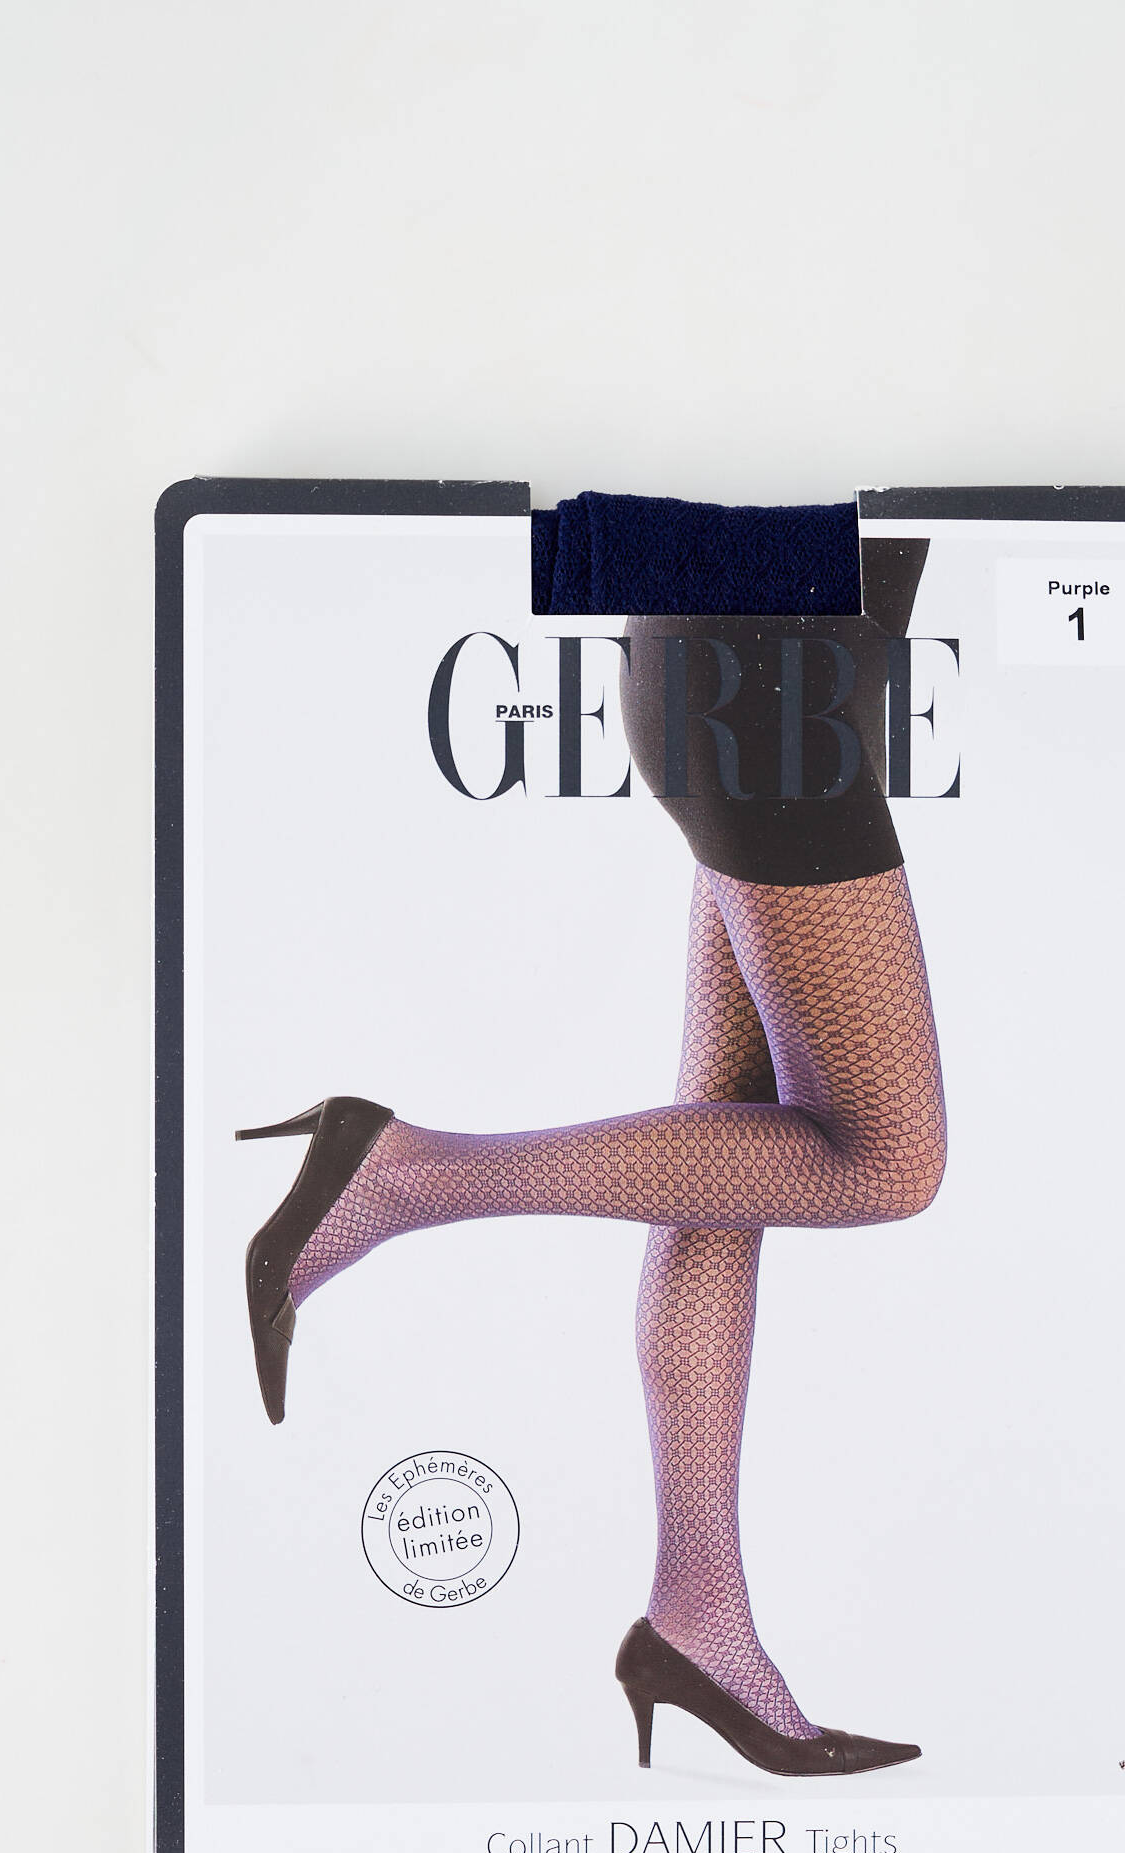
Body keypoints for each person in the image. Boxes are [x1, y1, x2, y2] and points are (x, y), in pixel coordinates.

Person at [238, 499, 945, 1777]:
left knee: (725, 1155)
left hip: (767, 702)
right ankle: (401, 1176)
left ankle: (698, 1620)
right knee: (886, 1160)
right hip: (768, 712)